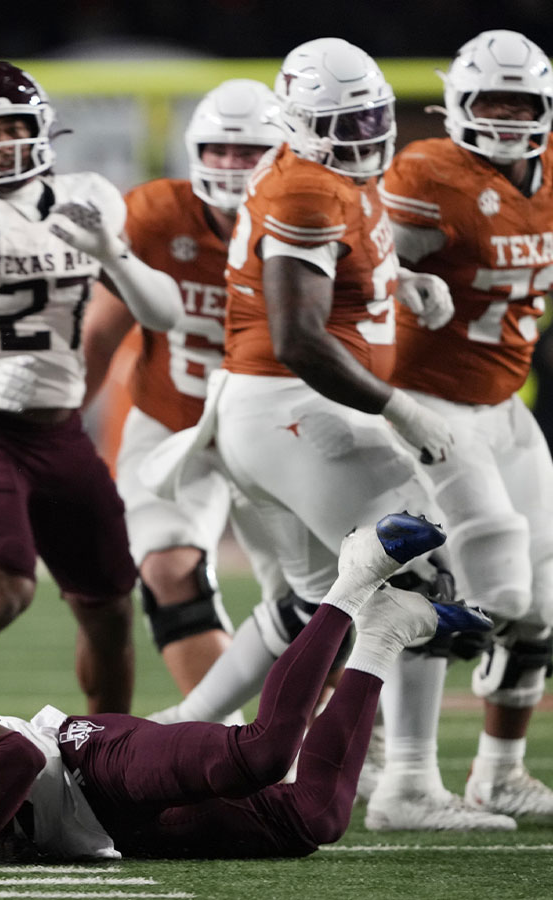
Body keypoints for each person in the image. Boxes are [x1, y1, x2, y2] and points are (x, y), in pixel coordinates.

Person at [146, 39, 515, 831]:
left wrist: (398, 283)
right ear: (296, 122)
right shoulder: (306, 187)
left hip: (270, 412)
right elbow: (298, 338)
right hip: (294, 408)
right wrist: (400, 410)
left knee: (310, 604)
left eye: (370, 118)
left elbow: (338, 284)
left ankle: (175, 735)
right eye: (337, 122)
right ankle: (408, 783)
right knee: (414, 574)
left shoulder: (337, 176)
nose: (358, 135)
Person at [0, 515, 492, 862]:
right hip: (100, 833)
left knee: (259, 754)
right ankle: (387, 634)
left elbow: (17, 757)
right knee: (315, 818)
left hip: (87, 761)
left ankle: (354, 579)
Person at [0, 61, 182, 712]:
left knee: (110, 612)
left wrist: (114, 252)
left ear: (44, 129)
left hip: (64, 430)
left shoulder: (90, 196)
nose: (6, 142)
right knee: (1, 594)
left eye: (17, 125)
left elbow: (164, 313)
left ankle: (109, 756)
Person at [377, 29, 553, 821]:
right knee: (450, 593)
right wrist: (402, 279)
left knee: (543, 603)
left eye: (524, 103)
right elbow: (359, 261)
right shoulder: (427, 174)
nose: (509, 118)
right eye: (493, 101)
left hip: (505, 402)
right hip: (428, 404)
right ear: (456, 104)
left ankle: (500, 772)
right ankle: (407, 775)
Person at [79, 80, 285, 700]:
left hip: (283, 429)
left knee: (314, 595)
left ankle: (329, 731)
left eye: (246, 151)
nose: (229, 165)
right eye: (218, 149)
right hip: (172, 419)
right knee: (167, 567)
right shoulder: (154, 215)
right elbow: (99, 337)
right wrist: (52, 434)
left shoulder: (314, 218)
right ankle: (227, 748)